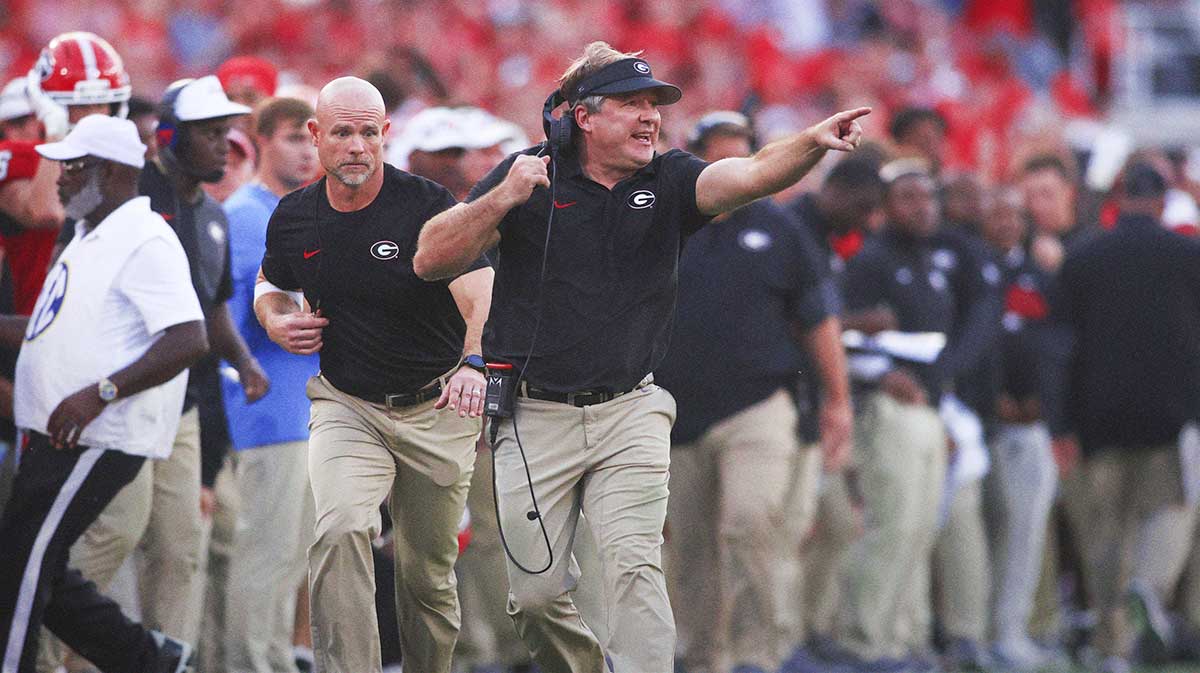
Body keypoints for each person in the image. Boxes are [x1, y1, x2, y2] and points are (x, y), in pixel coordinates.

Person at [413, 41, 868, 673]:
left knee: (634, 563)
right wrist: (498, 199)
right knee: (537, 596)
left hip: (632, 410)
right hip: (534, 415)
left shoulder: (672, 178)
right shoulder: (528, 174)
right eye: (631, 104)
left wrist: (811, 143)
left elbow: (753, 173)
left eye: (654, 104)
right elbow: (430, 259)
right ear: (583, 116)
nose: (650, 116)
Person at [253, 76, 493, 673]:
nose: (356, 146)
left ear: (386, 135)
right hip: (347, 403)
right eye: (342, 133)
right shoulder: (294, 216)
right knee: (338, 530)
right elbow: (272, 285)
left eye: (368, 133)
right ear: (317, 137)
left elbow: (480, 292)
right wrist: (277, 320)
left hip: (434, 404)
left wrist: (473, 362)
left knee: (426, 574)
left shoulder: (427, 204)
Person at [45, 76, 268, 669]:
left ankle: (168, 661)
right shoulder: (128, 194)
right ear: (167, 134)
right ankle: (49, 656)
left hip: (184, 403)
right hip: (120, 393)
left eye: (227, 131)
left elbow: (211, 308)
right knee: (112, 535)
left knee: (181, 548)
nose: (226, 144)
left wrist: (243, 362)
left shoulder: (214, 216)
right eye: (210, 132)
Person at [0, 113, 207, 673]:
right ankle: (150, 660)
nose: (61, 178)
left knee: (24, 562)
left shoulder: (144, 238)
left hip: (96, 432)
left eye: (73, 166)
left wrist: (101, 393)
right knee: (27, 559)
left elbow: (189, 337)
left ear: (113, 171)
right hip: (59, 429)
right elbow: (45, 327)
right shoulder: (89, 234)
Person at [656, 111, 853, 673]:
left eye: (743, 154)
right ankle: (701, 658)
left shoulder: (782, 230)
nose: (733, 167)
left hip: (759, 405)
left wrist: (837, 402)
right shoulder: (663, 222)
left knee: (749, 525)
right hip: (674, 411)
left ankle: (756, 658)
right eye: (719, 154)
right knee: (689, 548)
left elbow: (818, 320)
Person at [832, 159, 1000, 671]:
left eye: (927, 197)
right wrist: (878, 374)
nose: (921, 207)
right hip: (888, 406)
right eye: (907, 197)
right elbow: (833, 333)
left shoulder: (933, 259)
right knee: (894, 526)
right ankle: (863, 641)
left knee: (922, 529)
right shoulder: (870, 260)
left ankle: (903, 641)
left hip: (930, 407)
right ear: (883, 207)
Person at [1048, 162, 1200, 673]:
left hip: (1097, 415)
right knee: (1170, 511)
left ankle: (1112, 647)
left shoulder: (1081, 257)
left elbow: (1059, 348)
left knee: (1106, 533)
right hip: (1173, 413)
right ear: (1162, 202)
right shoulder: (1189, 255)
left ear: (1117, 201)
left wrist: (1060, 423)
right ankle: (1150, 589)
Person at [221, 96, 319, 673]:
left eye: (311, 138)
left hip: (304, 409)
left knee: (293, 560)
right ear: (259, 140)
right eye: (291, 138)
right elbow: (227, 324)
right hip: (267, 410)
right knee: (267, 556)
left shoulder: (295, 212)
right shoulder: (245, 216)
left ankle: (275, 660)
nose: (306, 150)